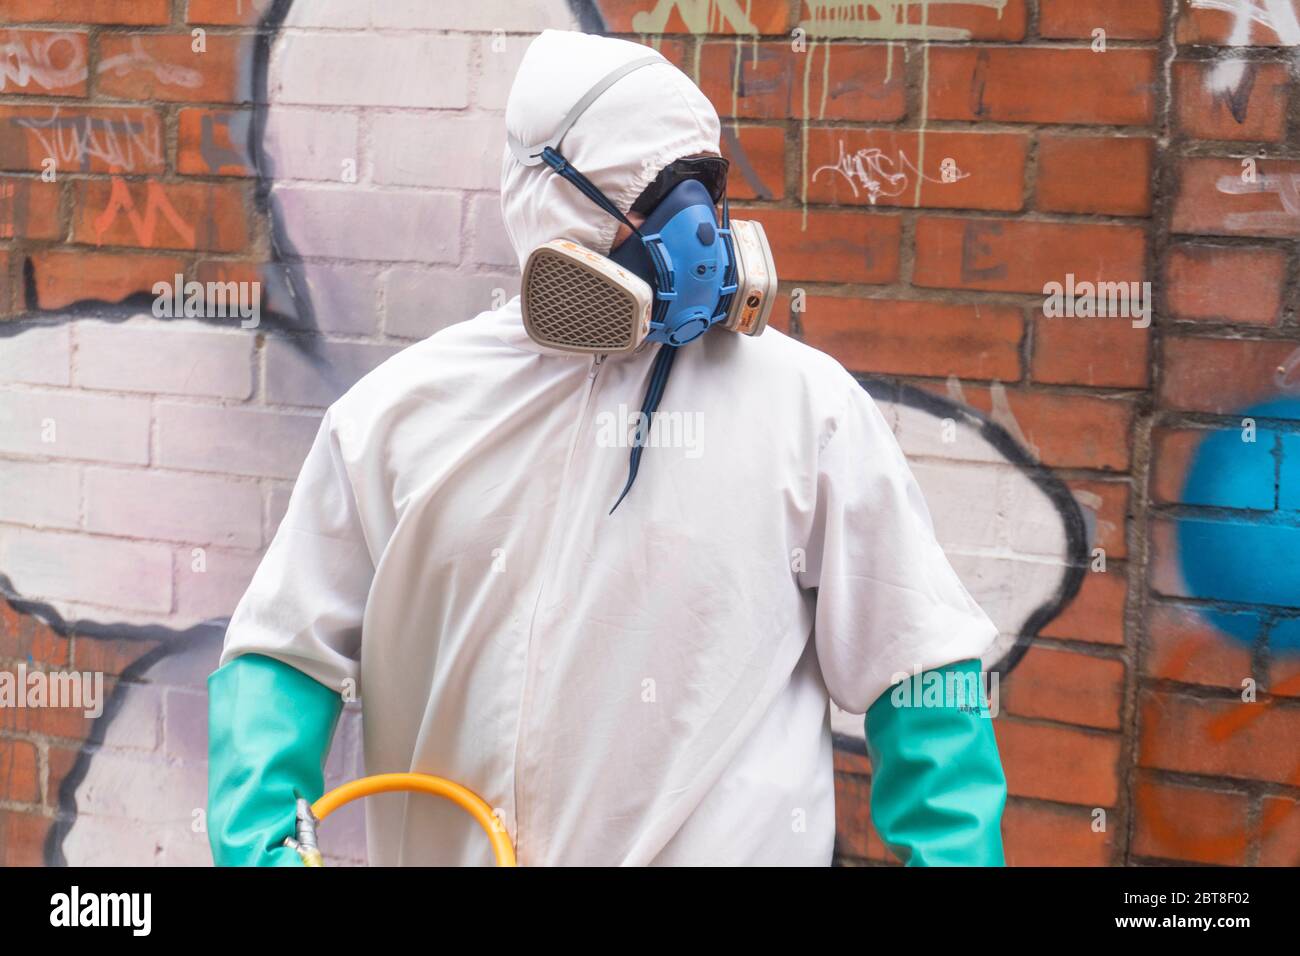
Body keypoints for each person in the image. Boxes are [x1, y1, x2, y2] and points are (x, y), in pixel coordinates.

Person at [207, 29, 1006, 867]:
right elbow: (283, 652)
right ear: (543, 198)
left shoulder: (808, 413)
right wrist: (261, 847)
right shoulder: (396, 421)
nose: (695, 235)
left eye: (702, 189)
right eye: (653, 198)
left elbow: (921, 667)